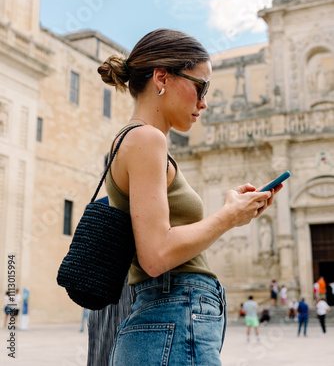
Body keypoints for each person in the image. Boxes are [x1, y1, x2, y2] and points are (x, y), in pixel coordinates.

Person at [96, 29, 282, 365]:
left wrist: (229, 210)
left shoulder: (141, 141)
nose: (204, 101)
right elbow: (156, 254)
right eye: (200, 86)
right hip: (175, 315)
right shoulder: (147, 139)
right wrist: (228, 217)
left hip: (169, 319)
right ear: (162, 77)